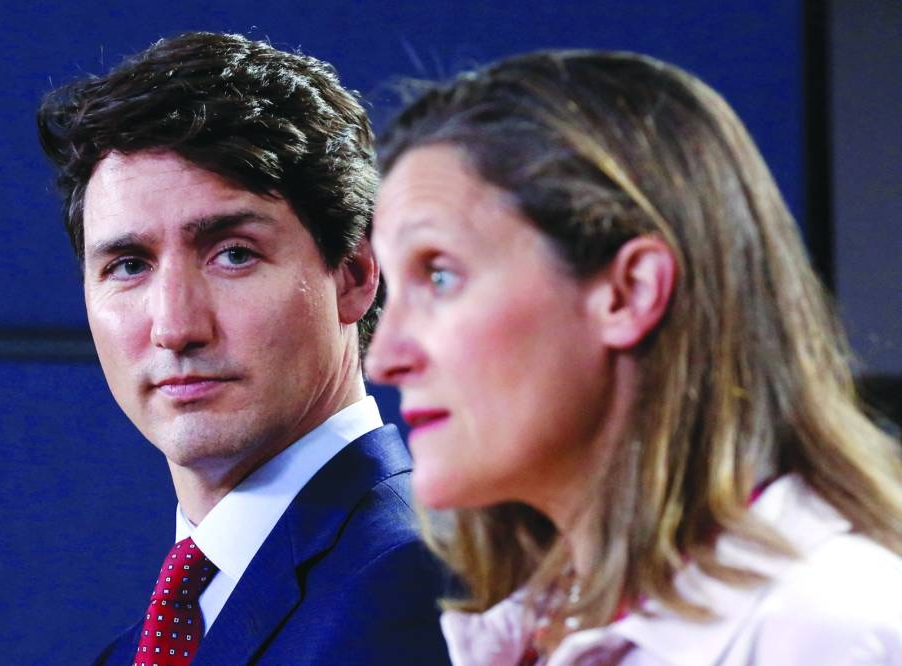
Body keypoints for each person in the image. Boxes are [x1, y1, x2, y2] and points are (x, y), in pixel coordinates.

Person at [367, 50, 902, 665]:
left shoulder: (828, 630)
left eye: (439, 276)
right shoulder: (522, 633)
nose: (385, 359)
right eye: (394, 290)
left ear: (629, 293)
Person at [37, 31, 449, 665]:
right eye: (128, 265)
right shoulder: (126, 654)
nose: (175, 326)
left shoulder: (429, 585)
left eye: (234, 254)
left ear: (357, 274)